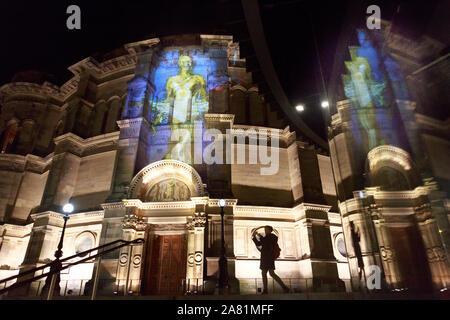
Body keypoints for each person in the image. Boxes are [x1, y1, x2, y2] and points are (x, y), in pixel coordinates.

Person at [252, 226, 290, 294]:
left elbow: (266, 242)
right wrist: (254, 237)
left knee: (271, 273)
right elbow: (259, 244)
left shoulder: (273, 237)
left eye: (266, 229)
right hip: (264, 257)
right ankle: (266, 290)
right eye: (265, 229)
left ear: (270, 230)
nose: (265, 231)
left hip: (269, 257)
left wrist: (259, 236)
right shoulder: (266, 237)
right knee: (265, 273)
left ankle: (284, 287)